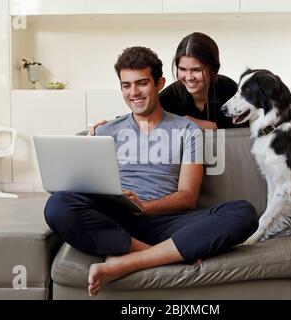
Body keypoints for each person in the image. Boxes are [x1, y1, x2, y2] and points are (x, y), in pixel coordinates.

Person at [44, 46, 258, 297]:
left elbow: (188, 197)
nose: (133, 92)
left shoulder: (188, 130)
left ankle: (126, 261)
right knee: (57, 205)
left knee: (243, 213)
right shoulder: (105, 131)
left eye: (142, 83)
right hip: (117, 218)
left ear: (160, 84)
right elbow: (87, 188)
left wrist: (145, 207)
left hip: (166, 222)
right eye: (126, 85)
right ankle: (149, 251)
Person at [87, 32, 245, 135]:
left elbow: (246, 129)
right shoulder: (174, 93)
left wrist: (196, 123)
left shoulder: (228, 89)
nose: (189, 77)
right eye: (182, 69)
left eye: (196, 70)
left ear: (212, 68)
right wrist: (110, 124)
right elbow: (143, 111)